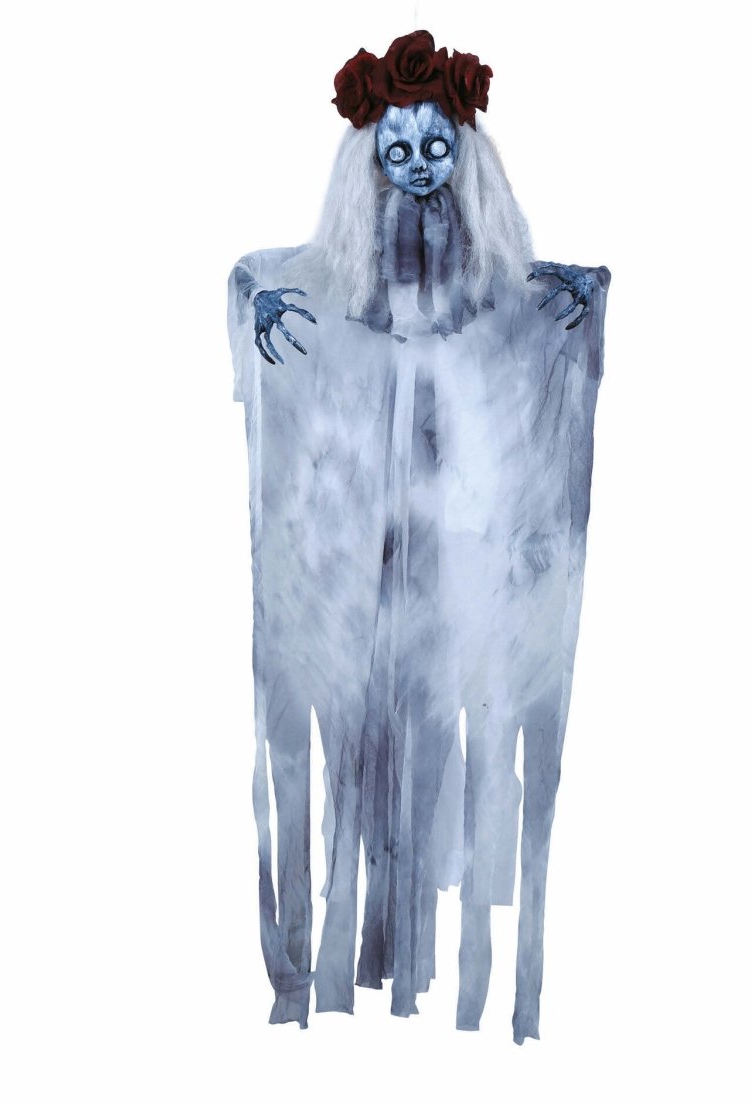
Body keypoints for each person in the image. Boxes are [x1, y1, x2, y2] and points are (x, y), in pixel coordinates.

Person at [226, 30, 610, 1044]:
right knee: (359, 709)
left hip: (459, 529)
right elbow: (256, 276)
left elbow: (527, 302)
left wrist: (587, 289)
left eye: (436, 149)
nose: (418, 169)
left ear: (466, 154)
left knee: (444, 706)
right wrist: (258, 305)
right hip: (362, 532)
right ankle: (347, 948)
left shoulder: (488, 276)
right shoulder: (335, 274)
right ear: (369, 162)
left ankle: (425, 946)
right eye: (396, 153)